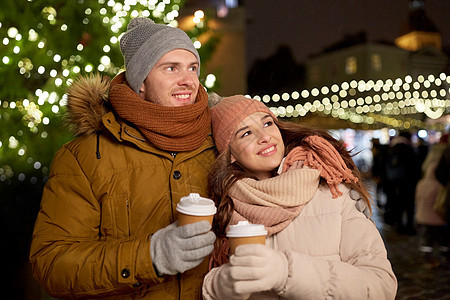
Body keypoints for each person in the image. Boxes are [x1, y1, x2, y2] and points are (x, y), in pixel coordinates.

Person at [29, 17, 217, 299]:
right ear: (140, 82)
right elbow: (53, 263)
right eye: (171, 68)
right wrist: (150, 255)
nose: (187, 81)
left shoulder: (219, 140)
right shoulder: (86, 157)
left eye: (193, 68)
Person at [202, 95, 397, 299]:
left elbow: (380, 287)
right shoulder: (224, 209)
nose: (264, 137)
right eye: (246, 133)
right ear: (229, 153)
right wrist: (222, 283)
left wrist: (286, 272)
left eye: (267, 123)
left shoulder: (333, 191)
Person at [415, 133, 449, 268]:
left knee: (427, 238)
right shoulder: (441, 185)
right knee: (443, 238)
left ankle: (428, 259)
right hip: (439, 216)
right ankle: (444, 257)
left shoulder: (422, 183)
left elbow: (418, 200)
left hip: (424, 216)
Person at [383, 131, 421, 234]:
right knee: (409, 206)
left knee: (397, 204)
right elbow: (415, 167)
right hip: (409, 183)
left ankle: (399, 226)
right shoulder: (409, 149)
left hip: (394, 182)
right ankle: (409, 227)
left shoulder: (391, 148)